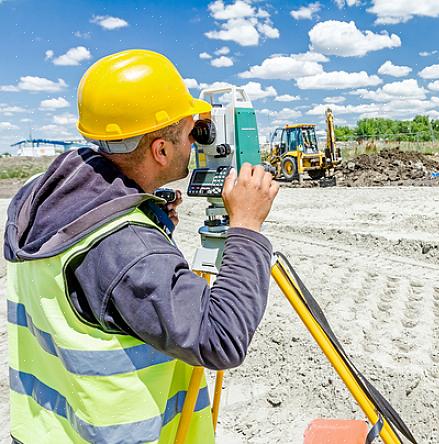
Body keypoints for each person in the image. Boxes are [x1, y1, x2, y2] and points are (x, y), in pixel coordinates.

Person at [5, 49, 279, 443]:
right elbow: (220, 338)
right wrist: (247, 227)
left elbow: (101, 285)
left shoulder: (42, 196)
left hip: (46, 431)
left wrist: (142, 208)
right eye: (191, 132)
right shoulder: (129, 247)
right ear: (161, 150)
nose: (196, 142)